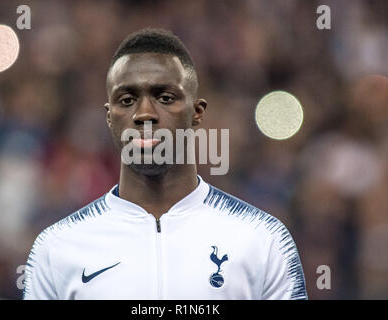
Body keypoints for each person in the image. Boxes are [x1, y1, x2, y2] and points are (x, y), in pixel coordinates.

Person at [23, 28, 307, 300]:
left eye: (165, 97)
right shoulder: (58, 249)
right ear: (110, 117)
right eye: (127, 99)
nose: (145, 113)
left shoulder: (262, 241)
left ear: (197, 112)